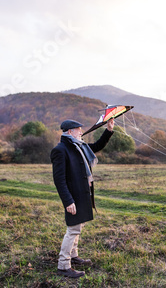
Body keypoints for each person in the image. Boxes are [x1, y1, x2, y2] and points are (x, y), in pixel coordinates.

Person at [50, 118, 115, 278]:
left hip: (83, 193)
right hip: (74, 196)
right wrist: (68, 201)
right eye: (79, 129)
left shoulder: (79, 146)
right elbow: (59, 180)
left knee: (77, 226)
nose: (81, 131)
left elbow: (97, 147)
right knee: (73, 229)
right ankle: (63, 265)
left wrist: (109, 130)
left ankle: (73, 256)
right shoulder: (61, 149)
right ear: (70, 132)